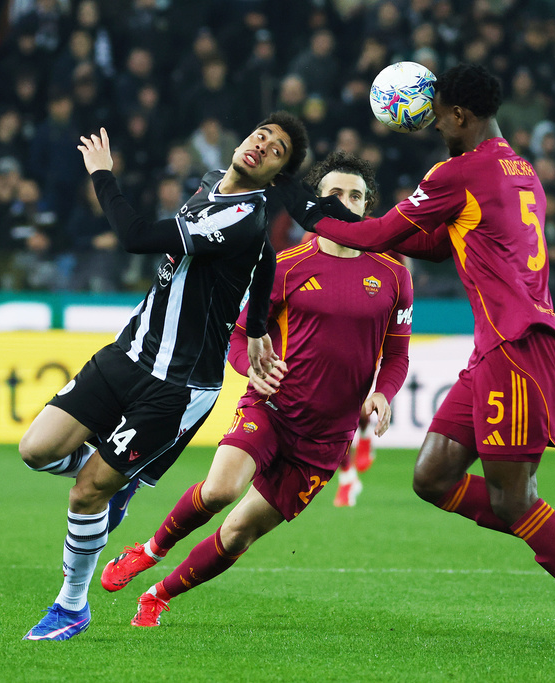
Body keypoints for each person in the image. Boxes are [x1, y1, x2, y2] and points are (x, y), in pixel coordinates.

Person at [271, 63, 555, 655]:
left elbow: (375, 237)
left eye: (438, 111)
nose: (430, 120)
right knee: (433, 476)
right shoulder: (519, 170)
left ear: (461, 116)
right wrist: (378, 226)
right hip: (497, 347)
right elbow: (440, 243)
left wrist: (298, 198)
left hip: (518, 345)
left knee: (511, 498)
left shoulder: (460, 170)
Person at [19, 111, 309, 641]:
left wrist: (102, 174)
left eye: (277, 150)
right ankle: (120, 476)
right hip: (126, 354)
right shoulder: (209, 189)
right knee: (36, 450)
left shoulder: (242, 215)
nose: (262, 146)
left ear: (275, 176)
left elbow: (133, 237)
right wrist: (260, 324)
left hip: (177, 385)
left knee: (86, 494)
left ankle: (71, 605)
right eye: (260, 135)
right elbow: (265, 258)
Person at [97, 150, 413, 626]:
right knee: (223, 490)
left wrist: (384, 394)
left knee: (239, 533)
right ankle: (149, 549)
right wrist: (252, 369)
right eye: (334, 193)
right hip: (272, 409)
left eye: (355, 195)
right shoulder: (286, 265)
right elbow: (239, 334)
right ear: (317, 203)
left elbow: (397, 354)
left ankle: (158, 596)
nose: (345, 201)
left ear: (368, 207)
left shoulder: (393, 276)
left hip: (326, 438)